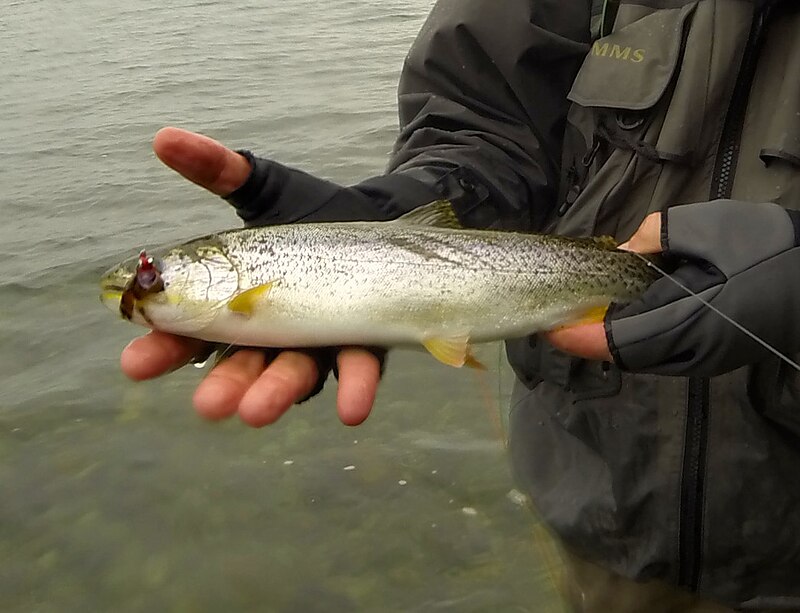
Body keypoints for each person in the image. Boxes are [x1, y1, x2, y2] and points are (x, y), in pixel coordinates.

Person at [121, 1, 800, 611]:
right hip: (610, 516)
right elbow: (488, 117)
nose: (139, 287)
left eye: (149, 278)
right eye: (147, 281)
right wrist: (413, 201)